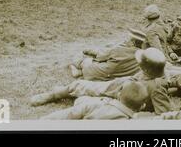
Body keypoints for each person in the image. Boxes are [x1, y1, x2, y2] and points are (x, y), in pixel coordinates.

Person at [30, 48, 173, 115]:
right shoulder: (148, 73)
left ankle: (62, 93)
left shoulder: (157, 87)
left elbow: (164, 114)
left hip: (123, 102)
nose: (139, 65)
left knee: (86, 100)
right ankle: (55, 94)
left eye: (141, 64)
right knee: (83, 85)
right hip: (118, 87)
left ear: (147, 69)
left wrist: (138, 115)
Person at [40, 81, 149, 120]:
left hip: (93, 106)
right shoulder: (132, 124)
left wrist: (44, 121)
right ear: (142, 107)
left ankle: (56, 93)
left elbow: (71, 113)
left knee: (82, 102)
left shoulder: (99, 104)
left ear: (119, 95)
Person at [69, 28, 146, 80]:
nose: (126, 40)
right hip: (119, 78)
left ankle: (77, 69)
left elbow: (100, 56)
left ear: (133, 42)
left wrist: (87, 51)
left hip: (103, 74)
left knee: (85, 60)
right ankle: (80, 73)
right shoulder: (142, 56)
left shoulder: (118, 50)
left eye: (129, 39)